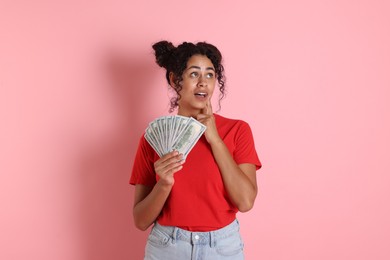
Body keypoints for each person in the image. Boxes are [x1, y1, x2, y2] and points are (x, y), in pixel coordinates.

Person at [130, 40, 262, 260]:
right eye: (194, 74)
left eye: (209, 75)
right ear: (175, 80)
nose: (203, 83)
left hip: (222, 248)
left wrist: (215, 140)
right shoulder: (154, 138)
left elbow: (245, 202)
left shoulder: (238, 130)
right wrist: (164, 183)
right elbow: (140, 220)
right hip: (167, 247)